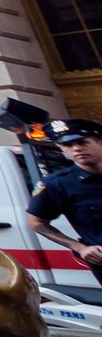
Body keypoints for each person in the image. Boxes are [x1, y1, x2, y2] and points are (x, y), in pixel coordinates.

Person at [26, 117, 102, 285]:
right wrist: (80, 248)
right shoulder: (58, 184)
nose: (76, 149)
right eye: (68, 145)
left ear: (99, 141)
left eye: (82, 142)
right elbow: (35, 222)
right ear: (61, 149)